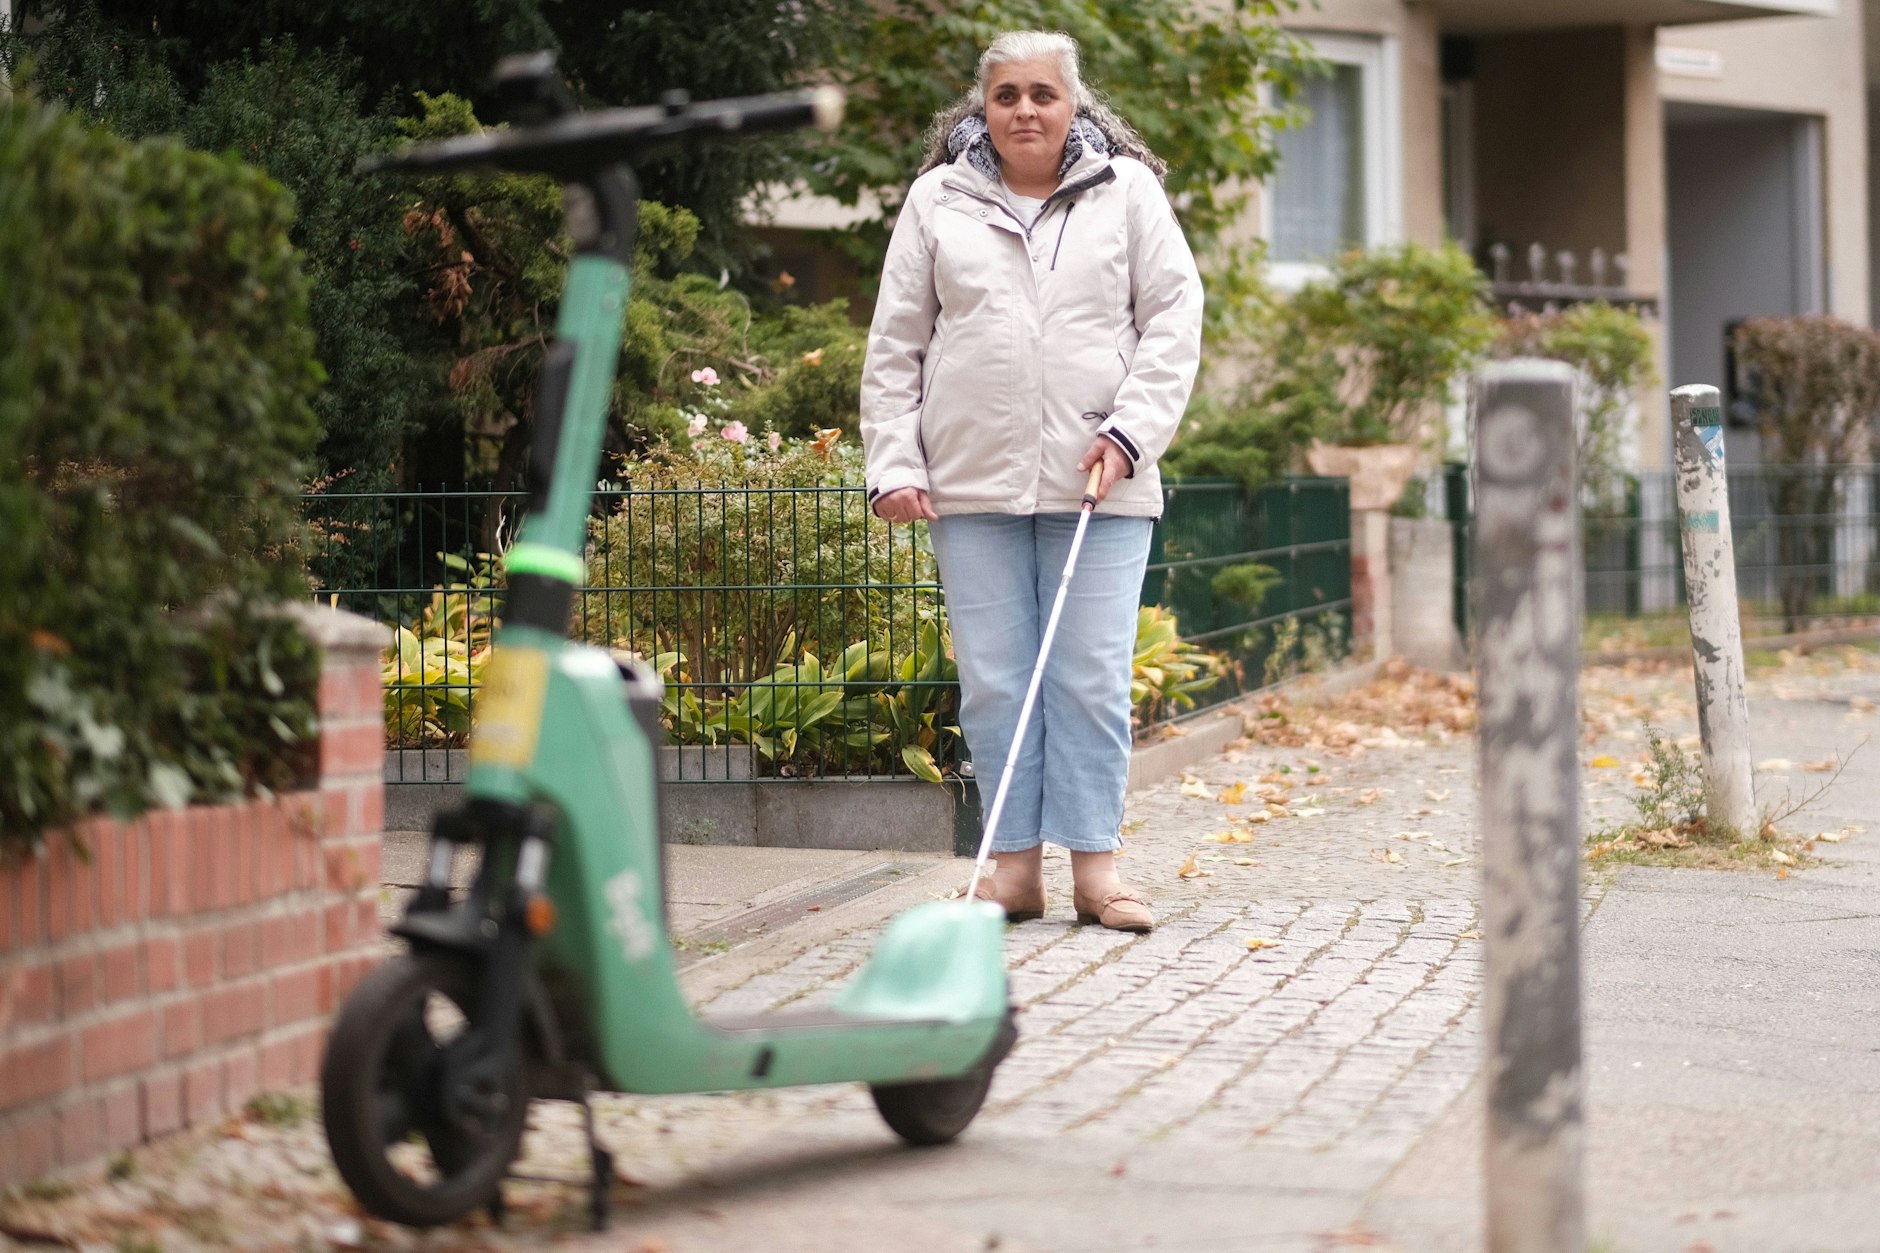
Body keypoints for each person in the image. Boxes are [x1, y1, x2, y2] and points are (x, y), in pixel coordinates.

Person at [859, 29, 1203, 932]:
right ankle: (1013, 871)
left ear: (1073, 104)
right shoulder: (939, 198)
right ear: (983, 108)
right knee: (997, 683)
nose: (1024, 110)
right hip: (971, 486)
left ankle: (1098, 869)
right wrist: (894, 463)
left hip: (1102, 479)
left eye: (1042, 94)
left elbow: (1173, 317)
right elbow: (896, 343)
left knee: (1087, 679)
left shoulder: (1127, 192)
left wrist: (1130, 433)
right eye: (1005, 94)